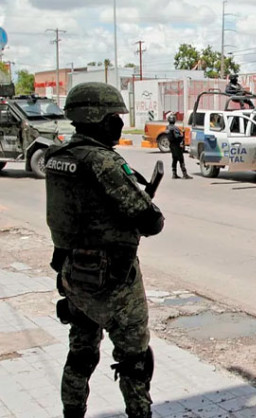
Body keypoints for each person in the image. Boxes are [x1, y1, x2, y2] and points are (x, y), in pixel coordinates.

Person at [44, 82, 164, 418]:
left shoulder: (57, 158)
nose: (120, 123)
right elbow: (150, 221)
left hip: (74, 276)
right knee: (135, 360)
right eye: (114, 116)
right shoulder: (103, 162)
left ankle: (72, 411)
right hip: (113, 281)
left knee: (81, 354)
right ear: (96, 117)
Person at [166, 112, 192, 179]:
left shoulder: (167, 127)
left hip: (171, 146)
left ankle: (174, 174)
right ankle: (185, 174)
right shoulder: (175, 128)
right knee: (181, 160)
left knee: (174, 159)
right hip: (177, 145)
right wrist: (182, 134)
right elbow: (178, 137)